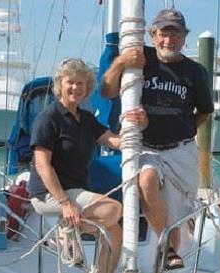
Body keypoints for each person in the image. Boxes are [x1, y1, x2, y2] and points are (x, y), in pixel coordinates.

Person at [101, 9, 214, 270]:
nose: (168, 41)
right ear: (153, 35)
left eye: (175, 35)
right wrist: (120, 63)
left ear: (184, 38)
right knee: (146, 179)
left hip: (180, 152)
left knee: (177, 214)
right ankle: (169, 248)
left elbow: (205, 112)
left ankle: (174, 245)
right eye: (163, 34)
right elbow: (106, 91)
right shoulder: (141, 58)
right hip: (147, 148)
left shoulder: (195, 72)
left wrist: (183, 130)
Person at [28, 58, 148, 273]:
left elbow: (110, 140)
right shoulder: (48, 118)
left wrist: (135, 128)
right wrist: (65, 204)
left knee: (115, 234)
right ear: (60, 84)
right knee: (114, 209)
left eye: (80, 83)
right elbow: (42, 165)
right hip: (49, 194)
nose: (75, 87)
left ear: (87, 88)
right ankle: (66, 229)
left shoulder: (85, 118)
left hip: (75, 191)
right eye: (70, 82)